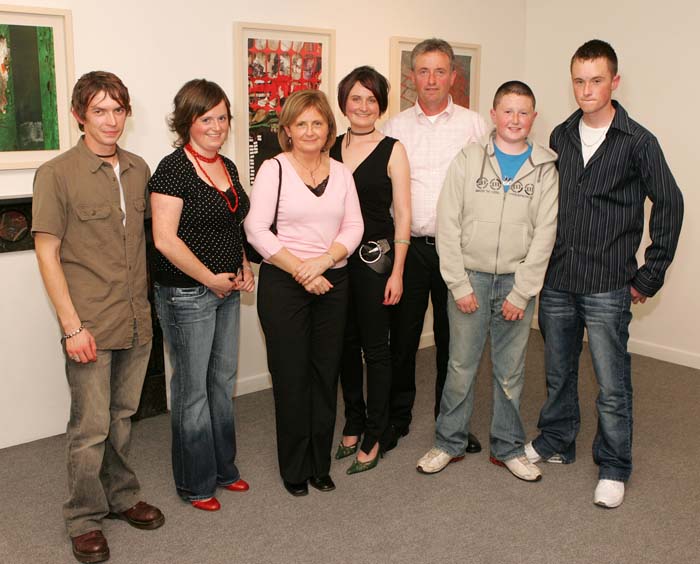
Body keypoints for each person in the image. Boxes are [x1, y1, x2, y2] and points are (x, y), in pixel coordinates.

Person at [525, 40, 684, 507]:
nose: (586, 89)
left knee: (613, 384)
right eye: (578, 80)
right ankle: (556, 439)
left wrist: (648, 276)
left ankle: (614, 465)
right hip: (558, 281)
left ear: (614, 82)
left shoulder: (638, 141)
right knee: (557, 373)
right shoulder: (560, 135)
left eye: (596, 80)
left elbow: (670, 204)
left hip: (609, 283)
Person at [32, 71, 164, 564]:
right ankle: (83, 517)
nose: (111, 120)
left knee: (124, 418)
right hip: (89, 323)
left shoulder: (137, 168)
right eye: (100, 111)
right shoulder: (57, 174)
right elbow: (48, 254)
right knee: (89, 427)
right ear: (79, 116)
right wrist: (71, 326)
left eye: (118, 109)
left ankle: (122, 497)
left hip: (135, 317)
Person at [416, 81, 558, 481]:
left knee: (510, 371)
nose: (515, 119)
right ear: (493, 115)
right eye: (507, 111)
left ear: (533, 117)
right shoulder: (468, 158)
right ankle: (448, 442)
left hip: (516, 284)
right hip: (471, 280)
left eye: (523, 112)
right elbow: (448, 223)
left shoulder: (546, 168)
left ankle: (509, 447)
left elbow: (545, 234)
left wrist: (522, 291)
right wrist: (458, 285)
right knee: (460, 366)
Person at [245, 90, 363, 496]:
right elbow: (256, 230)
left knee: (324, 375)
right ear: (288, 131)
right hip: (285, 284)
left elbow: (354, 227)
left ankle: (318, 464)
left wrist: (324, 262)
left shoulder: (342, 173)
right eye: (302, 124)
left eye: (318, 123)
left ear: (329, 129)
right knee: (292, 377)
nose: (310, 131)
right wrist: (302, 270)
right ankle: (294, 468)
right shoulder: (273, 170)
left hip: (333, 281)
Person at [149, 79, 253, 512]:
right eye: (206, 118)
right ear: (187, 121)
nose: (216, 126)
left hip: (226, 289)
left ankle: (223, 468)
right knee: (192, 390)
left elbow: (233, 224)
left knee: (221, 382)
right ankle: (196, 483)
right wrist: (209, 277)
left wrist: (243, 264)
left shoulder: (227, 165)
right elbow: (164, 240)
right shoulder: (173, 168)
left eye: (222, 117)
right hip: (186, 294)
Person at [382, 38, 488, 452]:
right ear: (412, 76)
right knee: (403, 340)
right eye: (423, 71)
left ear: (453, 76)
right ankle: (398, 417)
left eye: (440, 71)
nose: (431, 79)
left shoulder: (475, 126)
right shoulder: (394, 128)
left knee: (454, 342)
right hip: (409, 249)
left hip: (458, 252)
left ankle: (452, 421)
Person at [329, 66, 411, 474]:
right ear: (343, 102)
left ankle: (376, 432)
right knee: (345, 345)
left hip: (375, 262)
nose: (362, 106)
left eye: (371, 98)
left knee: (376, 350)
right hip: (336, 262)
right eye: (355, 97)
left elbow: (404, 215)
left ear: (381, 104)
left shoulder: (393, 148)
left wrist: (397, 272)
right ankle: (353, 420)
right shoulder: (328, 146)